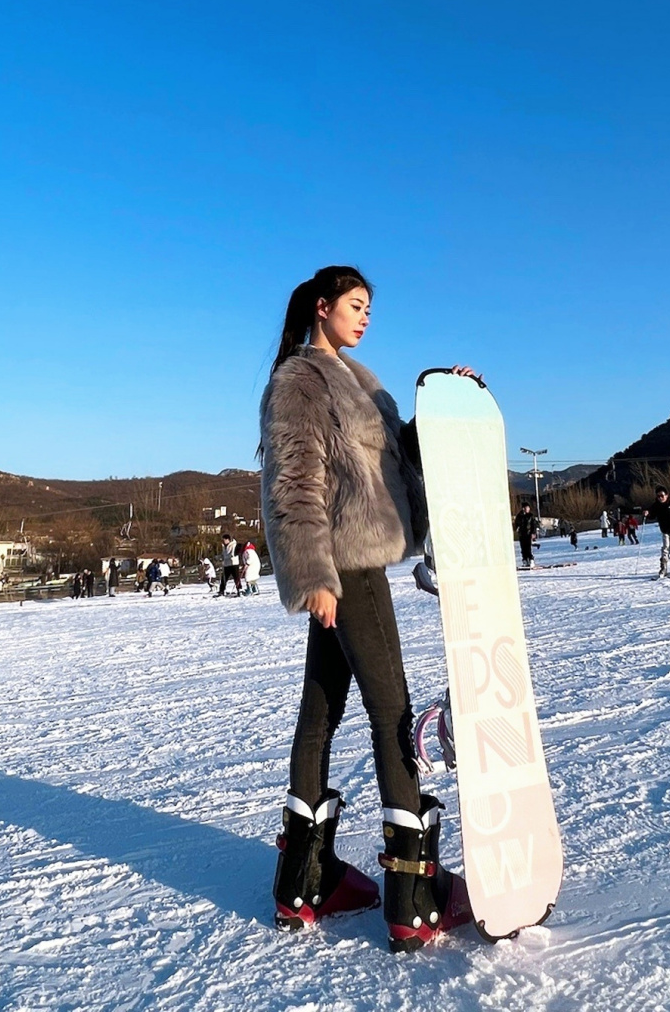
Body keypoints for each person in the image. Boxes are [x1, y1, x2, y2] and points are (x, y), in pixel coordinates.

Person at [260, 265, 473, 951]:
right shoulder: (300, 380)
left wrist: (444, 408)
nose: (364, 318)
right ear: (321, 308)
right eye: (355, 306)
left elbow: (392, 460)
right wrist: (312, 573)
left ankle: (305, 882)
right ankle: (414, 895)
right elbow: (293, 479)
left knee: (320, 709)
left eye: (369, 309)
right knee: (394, 715)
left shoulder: (362, 380)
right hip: (345, 566)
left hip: (355, 562)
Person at [515, 501, 537, 568]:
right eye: (526, 508)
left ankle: (531, 559)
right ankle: (525, 560)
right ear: (523, 508)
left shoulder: (530, 516)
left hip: (528, 534)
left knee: (528, 548)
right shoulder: (519, 516)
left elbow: (534, 525)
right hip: (522, 534)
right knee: (523, 548)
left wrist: (533, 533)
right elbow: (516, 524)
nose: (527, 509)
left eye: (528, 508)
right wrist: (517, 528)